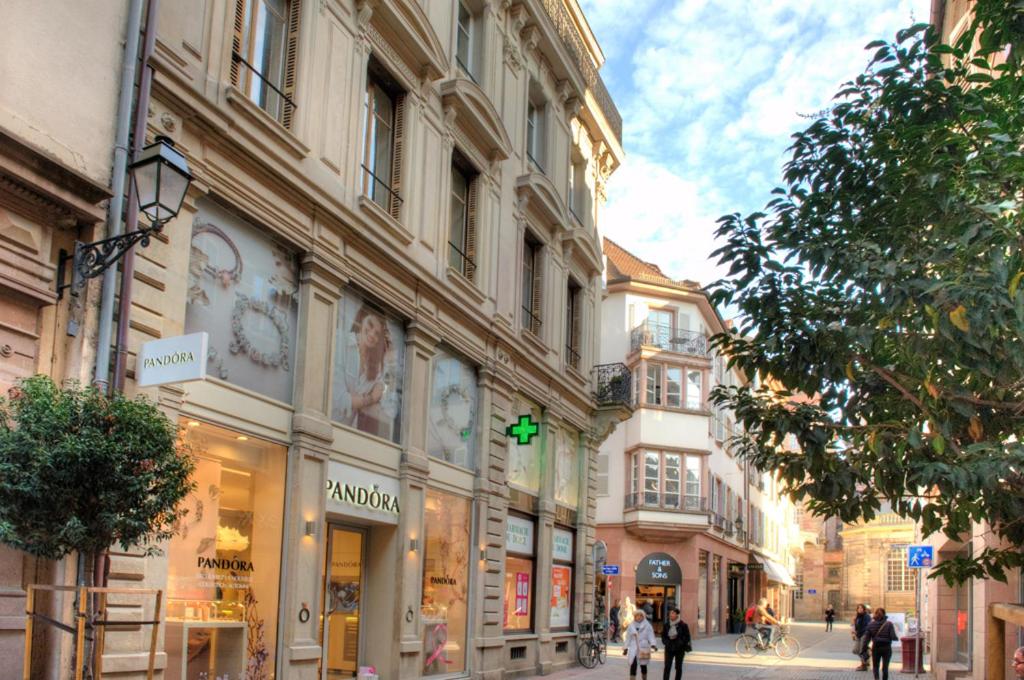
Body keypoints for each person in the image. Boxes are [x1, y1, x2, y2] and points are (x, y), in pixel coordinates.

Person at [865, 607, 899, 680]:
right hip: (886, 648)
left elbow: (866, 638)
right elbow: (893, 636)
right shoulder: (889, 624)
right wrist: (896, 638)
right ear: (884, 614)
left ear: (875, 614)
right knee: (885, 667)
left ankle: (876, 678)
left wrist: (864, 649)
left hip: (876, 648)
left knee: (875, 666)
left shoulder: (871, 625)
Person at [623, 610, 657, 680]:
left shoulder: (647, 625)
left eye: (640, 615)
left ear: (643, 616)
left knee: (643, 666)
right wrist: (625, 648)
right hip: (633, 648)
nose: (638, 617)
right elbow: (628, 637)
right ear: (634, 617)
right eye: (637, 615)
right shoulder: (631, 625)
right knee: (633, 665)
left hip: (643, 648)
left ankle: (644, 678)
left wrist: (653, 644)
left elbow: (651, 635)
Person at [661, 607, 691, 680]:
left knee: (678, 667)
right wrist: (667, 642)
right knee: (667, 667)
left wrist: (679, 642)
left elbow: (687, 637)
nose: (671, 614)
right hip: (669, 648)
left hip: (679, 649)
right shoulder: (666, 625)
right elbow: (663, 636)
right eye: (670, 613)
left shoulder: (683, 625)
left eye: (673, 613)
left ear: (677, 615)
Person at [852, 603, 872, 671]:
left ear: (864, 609)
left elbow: (867, 626)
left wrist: (861, 632)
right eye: (858, 608)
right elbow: (855, 626)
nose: (859, 609)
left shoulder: (867, 616)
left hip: (864, 635)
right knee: (855, 650)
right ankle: (868, 654)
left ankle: (864, 665)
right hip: (858, 635)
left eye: (861, 608)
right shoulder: (857, 616)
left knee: (861, 651)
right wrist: (854, 633)